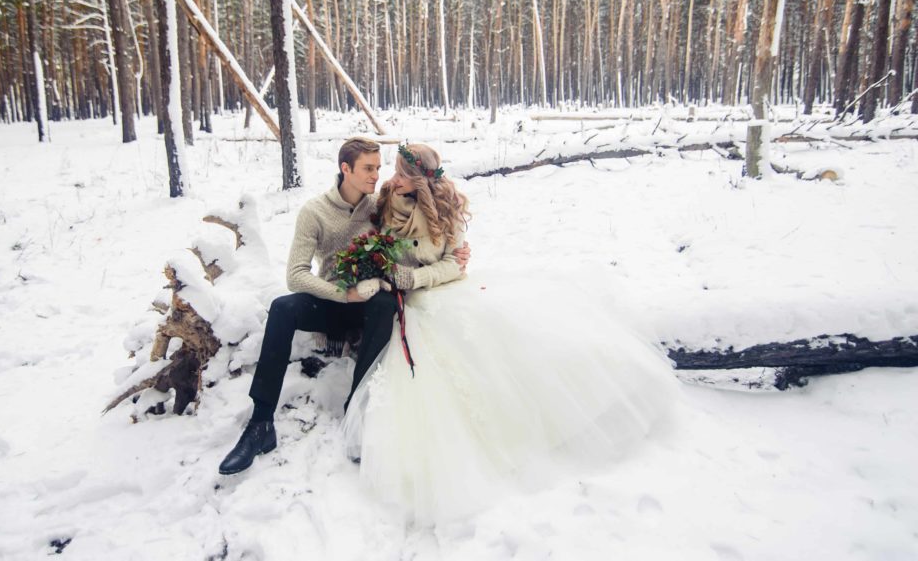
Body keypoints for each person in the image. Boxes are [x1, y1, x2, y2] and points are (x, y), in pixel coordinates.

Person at [342, 143, 679, 523]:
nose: (393, 178)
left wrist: (417, 277)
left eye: (402, 173)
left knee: (488, 340)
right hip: (406, 302)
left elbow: (456, 263)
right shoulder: (385, 200)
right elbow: (363, 237)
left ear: (420, 179)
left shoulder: (443, 211)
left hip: (438, 292)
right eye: (395, 172)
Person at [218, 137, 469, 476]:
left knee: (384, 304)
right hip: (332, 300)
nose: (378, 177)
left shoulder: (377, 205)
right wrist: (342, 295)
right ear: (345, 169)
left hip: (370, 302)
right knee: (281, 307)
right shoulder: (315, 212)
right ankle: (261, 423)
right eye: (369, 169)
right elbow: (295, 275)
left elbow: (421, 241)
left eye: (380, 169)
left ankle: (356, 407)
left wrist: (446, 260)